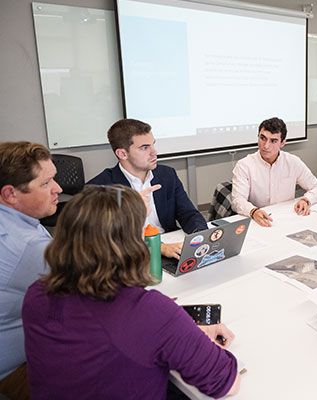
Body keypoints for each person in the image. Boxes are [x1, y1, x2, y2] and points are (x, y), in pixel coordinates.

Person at [22, 185, 240, 398]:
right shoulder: (149, 311)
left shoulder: (37, 294)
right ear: (130, 244)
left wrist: (182, 332)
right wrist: (193, 340)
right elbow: (226, 382)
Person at [88, 118, 208, 259]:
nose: (154, 152)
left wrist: (200, 237)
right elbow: (106, 239)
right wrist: (158, 247)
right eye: (144, 148)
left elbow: (189, 214)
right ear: (122, 154)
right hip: (131, 256)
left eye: (153, 145)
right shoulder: (99, 188)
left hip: (171, 246)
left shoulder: (167, 175)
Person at [0, 141, 62, 400]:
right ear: (10, 194)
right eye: (46, 183)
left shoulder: (16, 220)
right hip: (16, 371)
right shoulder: (27, 245)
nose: (58, 189)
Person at [231, 117, 317, 227]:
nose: (266, 146)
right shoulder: (244, 165)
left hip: (288, 218)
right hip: (258, 220)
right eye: (263, 138)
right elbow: (237, 200)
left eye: (273, 141)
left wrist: (307, 200)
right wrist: (253, 211)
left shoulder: (292, 162)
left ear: (283, 143)